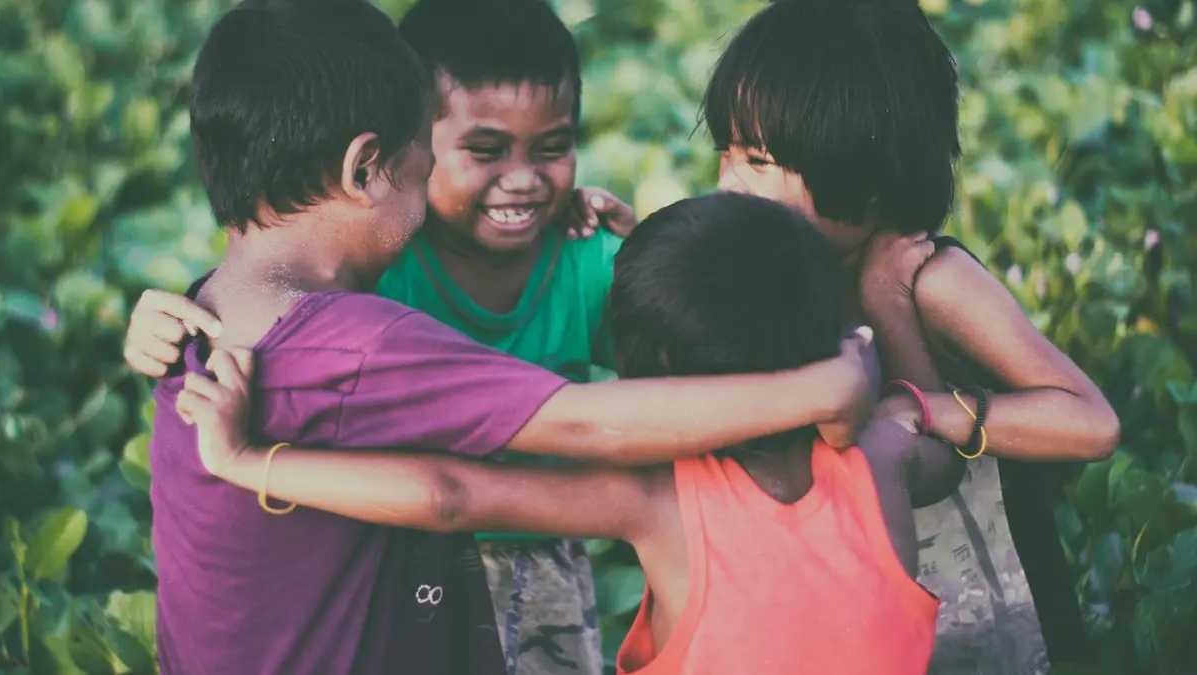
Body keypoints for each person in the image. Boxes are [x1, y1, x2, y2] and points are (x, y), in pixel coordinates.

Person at [149, 2, 875, 673]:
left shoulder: (206, 313)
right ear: (365, 168)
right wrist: (821, 387)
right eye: (422, 158)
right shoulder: (357, 341)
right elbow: (579, 425)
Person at [176, 193, 965, 675]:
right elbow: (940, 443)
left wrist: (248, 460)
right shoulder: (886, 456)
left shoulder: (657, 499)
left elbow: (446, 494)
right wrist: (869, 334)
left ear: (652, 387)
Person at [130, 0, 629, 671]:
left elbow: (677, 352)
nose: (523, 178)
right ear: (399, 152)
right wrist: (167, 321)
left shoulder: (582, 258)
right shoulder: (376, 265)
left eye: (552, 148)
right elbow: (281, 303)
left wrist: (653, 249)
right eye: (483, 150)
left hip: (537, 553)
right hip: (413, 550)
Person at [702, 1, 1120, 673]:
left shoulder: (936, 280)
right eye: (724, 151)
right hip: (865, 621)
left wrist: (930, 406)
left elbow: (1090, 423)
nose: (726, 183)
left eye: (756, 159)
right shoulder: (778, 273)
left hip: (998, 613)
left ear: (868, 179)